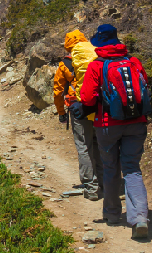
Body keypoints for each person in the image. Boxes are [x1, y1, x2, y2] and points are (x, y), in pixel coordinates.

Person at [80, 24, 150, 240]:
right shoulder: (133, 61)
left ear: (99, 43)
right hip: (137, 123)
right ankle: (139, 218)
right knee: (132, 169)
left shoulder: (96, 66)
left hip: (108, 125)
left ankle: (112, 214)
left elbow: (87, 97)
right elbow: (145, 86)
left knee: (110, 168)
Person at [53, 30, 103, 201]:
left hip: (78, 109)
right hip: (99, 107)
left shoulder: (65, 65)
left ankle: (91, 187)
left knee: (84, 146)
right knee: (99, 145)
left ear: (67, 46)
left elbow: (58, 91)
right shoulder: (96, 56)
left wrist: (61, 113)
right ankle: (106, 183)